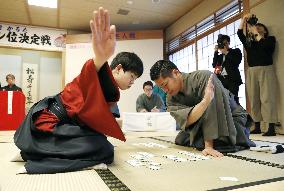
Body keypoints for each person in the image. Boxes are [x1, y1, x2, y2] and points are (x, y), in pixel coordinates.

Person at [13, 7, 144, 174]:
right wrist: (100, 57)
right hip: (46, 125)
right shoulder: (99, 76)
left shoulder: (111, 91)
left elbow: (101, 122)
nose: (133, 82)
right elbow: (89, 71)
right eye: (132, 76)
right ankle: (32, 153)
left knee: (100, 142)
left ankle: (33, 152)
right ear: (118, 69)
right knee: (105, 150)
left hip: (61, 126)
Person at [150, 60, 255, 157]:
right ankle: (214, 140)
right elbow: (187, 120)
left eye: (165, 84)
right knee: (181, 139)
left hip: (229, 118)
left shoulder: (204, 77)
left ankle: (232, 139)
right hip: (202, 124)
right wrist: (205, 102)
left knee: (221, 142)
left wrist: (209, 146)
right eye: (161, 88)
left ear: (176, 73)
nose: (165, 90)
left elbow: (215, 106)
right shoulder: (170, 98)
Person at [238, 14, 277, 136]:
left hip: (266, 69)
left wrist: (255, 32)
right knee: (253, 98)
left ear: (265, 31)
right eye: (256, 26)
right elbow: (239, 33)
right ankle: (257, 125)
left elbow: (266, 47)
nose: (257, 28)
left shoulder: (270, 40)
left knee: (267, 98)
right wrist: (244, 20)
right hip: (252, 71)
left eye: (260, 27)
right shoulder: (250, 43)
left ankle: (271, 127)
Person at [212, 34, 242, 104]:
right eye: (221, 43)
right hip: (221, 80)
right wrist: (216, 52)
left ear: (228, 42)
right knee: (223, 102)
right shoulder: (220, 56)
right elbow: (214, 65)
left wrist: (226, 52)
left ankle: (237, 114)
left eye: (224, 43)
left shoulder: (235, 51)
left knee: (233, 101)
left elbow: (236, 61)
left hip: (232, 80)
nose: (223, 45)